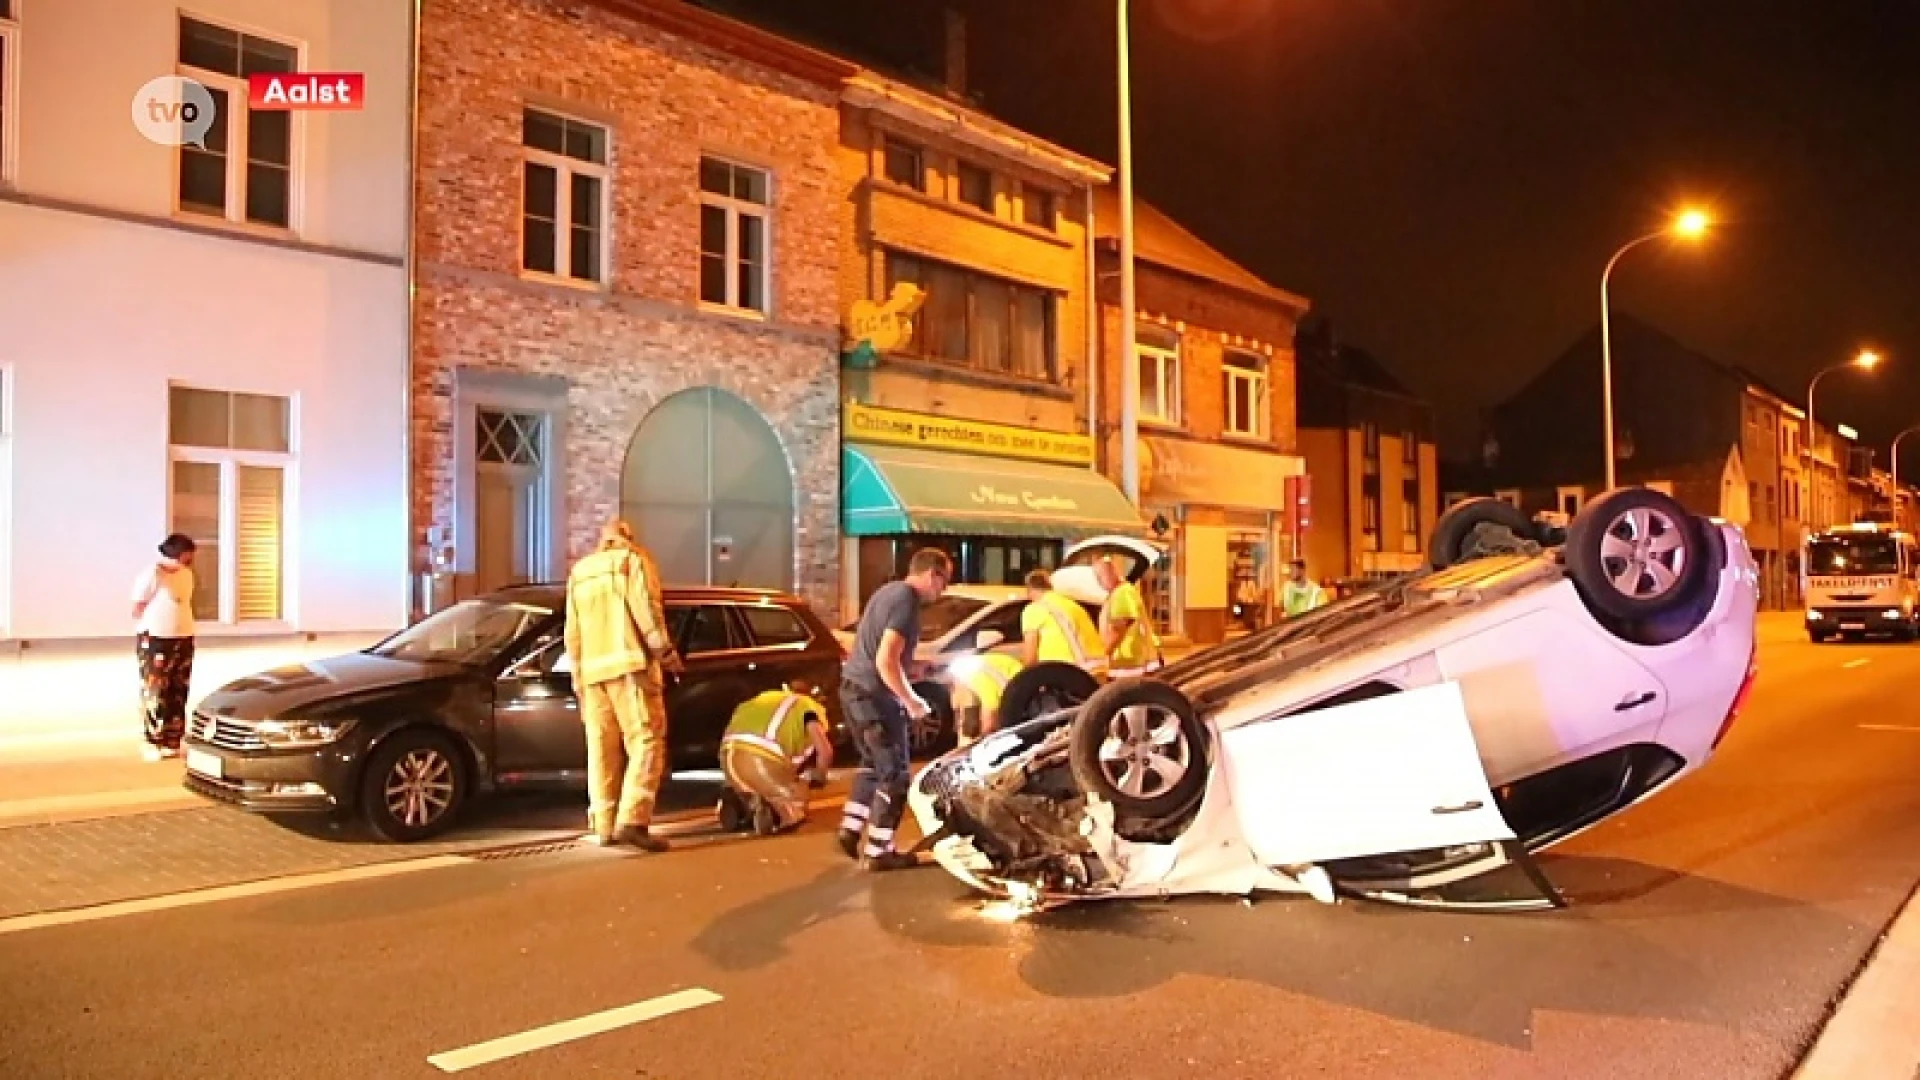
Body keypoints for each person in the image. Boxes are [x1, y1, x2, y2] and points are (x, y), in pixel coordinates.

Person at [563, 519, 682, 852]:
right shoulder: (633, 562)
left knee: (601, 748)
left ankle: (603, 825)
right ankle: (634, 819)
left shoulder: (580, 572)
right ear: (628, 538)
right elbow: (647, 612)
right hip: (630, 668)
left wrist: (578, 678)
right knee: (647, 740)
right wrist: (666, 653)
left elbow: (572, 634)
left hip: (592, 673)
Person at [837, 548, 951, 871]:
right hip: (876, 696)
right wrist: (913, 701)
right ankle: (879, 850)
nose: (943, 591)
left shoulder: (886, 592)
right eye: (944, 582)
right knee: (896, 774)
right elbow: (885, 660)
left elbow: (885, 656)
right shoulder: (906, 601)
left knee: (872, 764)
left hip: (854, 690)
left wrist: (920, 669)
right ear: (932, 575)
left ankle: (850, 829)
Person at [717, 680, 834, 835]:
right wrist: (820, 776)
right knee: (797, 794)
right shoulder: (807, 708)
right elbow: (825, 750)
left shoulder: (766, 698)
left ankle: (742, 804)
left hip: (728, 758)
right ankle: (785, 814)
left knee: (761, 783)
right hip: (760, 759)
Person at [132, 533, 199, 762]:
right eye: (187, 553)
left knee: (178, 689)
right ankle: (152, 739)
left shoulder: (187, 575)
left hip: (184, 636)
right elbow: (137, 606)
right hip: (157, 637)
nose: (189, 558)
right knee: (156, 689)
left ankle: (173, 738)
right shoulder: (153, 574)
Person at [1019, 569, 1106, 673]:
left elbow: (1030, 658)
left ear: (1029, 590)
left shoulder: (1034, 609)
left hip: (1065, 672)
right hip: (1098, 668)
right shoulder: (1074, 605)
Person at [1094, 557, 1164, 678]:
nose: (1100, 582)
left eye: (1101, 576)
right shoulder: (1120, 592)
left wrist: (1105, 651)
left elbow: (1119, 626)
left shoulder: (1122, 593)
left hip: (1132, 663)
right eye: (1098, 578)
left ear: (1113, 572)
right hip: (1131, 663)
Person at [949, 650, 1025, 748]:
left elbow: (991, 706)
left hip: (1019, 690)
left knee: (985, 727)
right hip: (1013, 686)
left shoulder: (975, 677)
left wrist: (984, 735)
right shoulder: (967, 674)